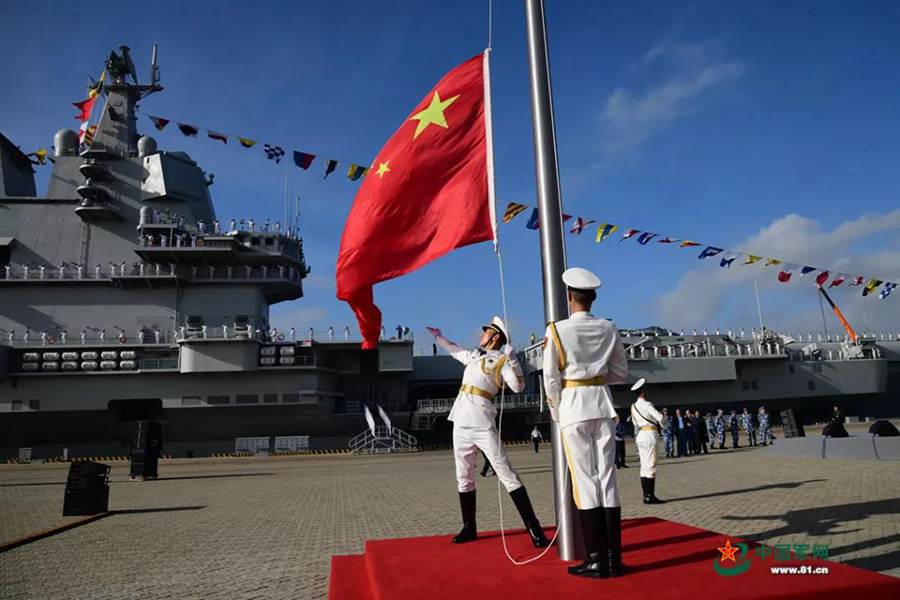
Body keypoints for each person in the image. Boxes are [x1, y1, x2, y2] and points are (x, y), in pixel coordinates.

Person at [429, 317, 549, 549]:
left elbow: (518, 386)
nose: (481, 334)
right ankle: (469, 526)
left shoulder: (502, 360)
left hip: (482, 422)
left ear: (495, 337)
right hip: (461, 420)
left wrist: (513, 359)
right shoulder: (474, 357)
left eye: (486, 332)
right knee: (463, 476)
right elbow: (455, 350)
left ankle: (534, 529)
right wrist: (438, 337)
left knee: (506, 474)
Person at [543, 267, 628, 578]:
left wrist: (557, 411)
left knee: (584, 481)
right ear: (592, 298)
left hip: (574, 406)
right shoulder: (609, 328)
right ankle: (613, 558)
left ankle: (595, 559)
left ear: (570, 298)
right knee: (607, 477)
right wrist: (597, 377)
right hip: (603, 404)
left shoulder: (557, 331)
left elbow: (551, 377)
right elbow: (620, 373)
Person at [630, 378, 663, 504]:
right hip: (650, 434)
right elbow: (659, 417)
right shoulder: (647, 404)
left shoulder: (633, 406)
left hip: (641, 435)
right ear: (643, 391)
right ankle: (650, 496)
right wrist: (662, 420)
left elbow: (635, 423)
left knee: (644, 466)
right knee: (651, 465)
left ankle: (645, 495)